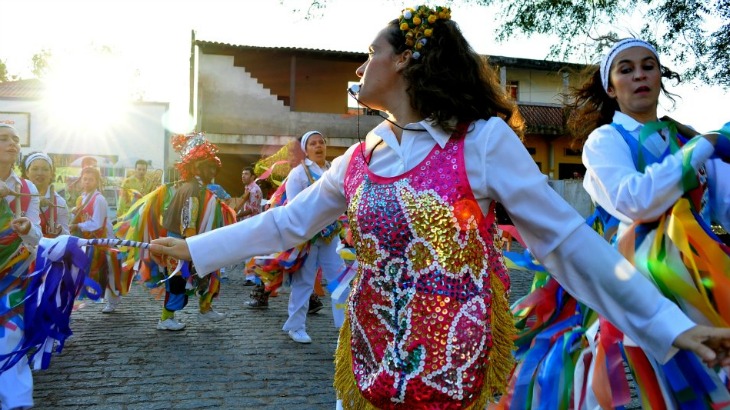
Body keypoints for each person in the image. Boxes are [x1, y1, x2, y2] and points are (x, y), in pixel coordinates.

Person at [150, 7, 730, 409]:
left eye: (369, 53)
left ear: (403, 61)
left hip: (458, 365)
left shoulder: (480, 141)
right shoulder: (360, 154)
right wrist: (197, 248)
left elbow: (567, 241)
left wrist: (667, 326)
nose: (360, 67)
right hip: (369, 356)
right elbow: (288, 221)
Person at [570, 38, 730, 407]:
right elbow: (635, 201)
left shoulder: (685, 139)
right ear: (611, 88)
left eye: (648, 66)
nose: (639, 75)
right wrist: (704, 144)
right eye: (626, 70)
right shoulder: (605, 140)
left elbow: (719, 206)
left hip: (703, 294)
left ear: (660, 77)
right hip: (636, 306)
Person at [153, 132, 235, 331]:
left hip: (190, 242)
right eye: (209, 165)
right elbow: (187, 222)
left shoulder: (196, 188)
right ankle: (166, 319)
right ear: (197, 167)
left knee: (208, 274)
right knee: (177, 281)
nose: (214, 169)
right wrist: (194, 247)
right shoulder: (192, 190)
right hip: (183, 243)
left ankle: (205, 310)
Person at [278, 131, 346, 344]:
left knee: (340, 281)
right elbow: (294, 205)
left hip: (331, 235)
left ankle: (345, 326)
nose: (318, 147)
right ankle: (295, 326)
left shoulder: (333, 170)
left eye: (321, 143)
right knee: (304, 283)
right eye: (313, 144)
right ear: (306, 150)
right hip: (308, 237)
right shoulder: (298, 173)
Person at [0, 124, 42, 410]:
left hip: (13, 276)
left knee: (12, 333)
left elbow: (37, 235)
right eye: (3, 139)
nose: (12, 143)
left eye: (15, 139)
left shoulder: (27, 189)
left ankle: (16, 402)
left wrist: (27, 228)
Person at [69, 166, 127, 314]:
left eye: (91, 179)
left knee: (109, 271)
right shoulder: (81, 198)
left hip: (103, 240)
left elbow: (97, 223)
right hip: (90, 241)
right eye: (85, 179)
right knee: (95, 271)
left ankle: (112, 301)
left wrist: (77, 225)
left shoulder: (99, 199)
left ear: (96, 181)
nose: (87, 182)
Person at [20, 151, 70, 237]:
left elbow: (66, 236)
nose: (40, 173)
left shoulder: (59, 202)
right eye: (35, 169)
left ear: (51, 173)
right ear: (27, 172)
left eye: (45, 169)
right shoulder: (17, 197)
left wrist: (60, 230)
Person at [235, 166, 262, 286]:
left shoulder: (254, 190)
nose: (243, 176)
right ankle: (252, 275)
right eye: (242, 174)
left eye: (246, 174)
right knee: (250, 250)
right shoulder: (248, 188)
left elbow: (253, 209)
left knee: (250, 251)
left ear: (253, 177)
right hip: (247, 222)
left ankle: (251, 277)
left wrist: (236, 214)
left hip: (253, 223)